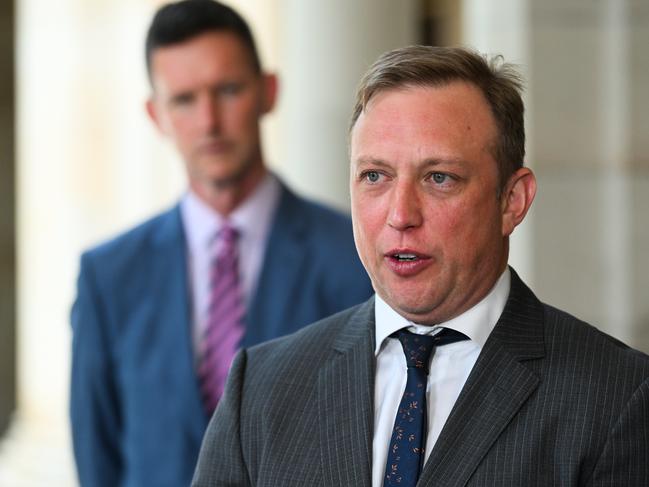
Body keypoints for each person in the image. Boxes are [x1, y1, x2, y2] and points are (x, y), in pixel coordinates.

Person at [192, 45, 649, 487]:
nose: (401, 214)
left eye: (439, 178)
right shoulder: (261, 387)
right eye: (375, 176)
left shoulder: (618, 397)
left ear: (512, 201)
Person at [69, 1, 372, 486]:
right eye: (184, 99)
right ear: (156, 114)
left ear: (268, 92)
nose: (209, 121)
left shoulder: (355, 258)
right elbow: (97, 462)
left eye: (227, 90)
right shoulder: (109, 278)